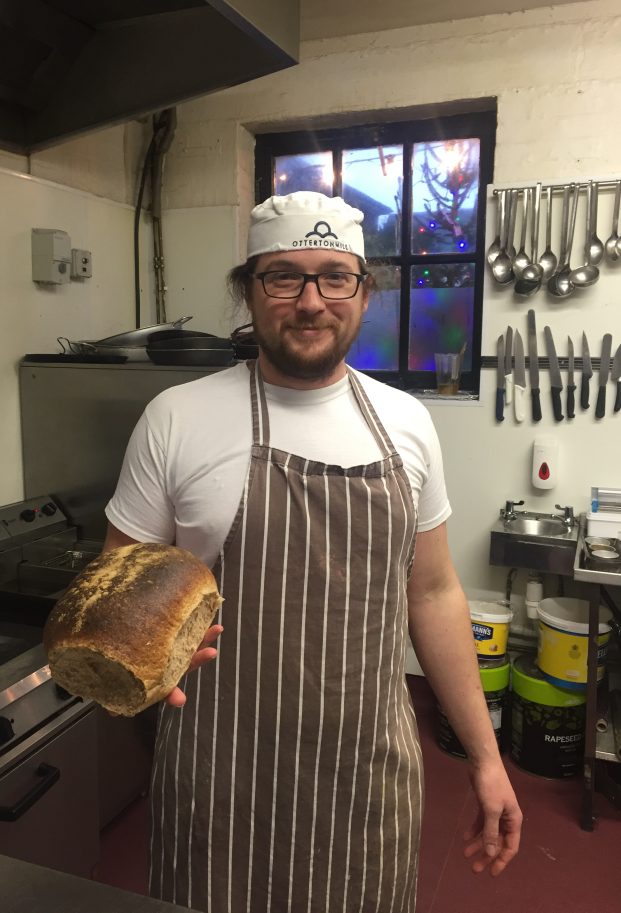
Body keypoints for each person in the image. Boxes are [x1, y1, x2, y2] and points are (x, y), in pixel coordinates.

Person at [103, 191, 522, 913]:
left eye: (334, 276)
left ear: (364, 292)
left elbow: (431, 593)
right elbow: (119, 592)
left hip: (365, 776)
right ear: (248, 288)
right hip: (217, 774)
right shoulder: (176, 418)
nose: (310, 300)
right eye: (283, 275)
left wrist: (486, 756)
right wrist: (140, 658)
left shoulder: (407, 424)